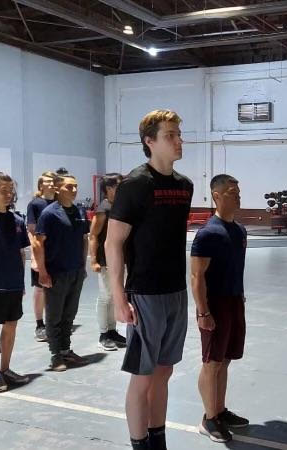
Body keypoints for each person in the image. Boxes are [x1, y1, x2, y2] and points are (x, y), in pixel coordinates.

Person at [105, 110, 193, 450]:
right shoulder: (135, 185)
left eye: (178, 134)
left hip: (176, 291)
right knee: (142, 378)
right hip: (144, 295)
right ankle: (139, 444)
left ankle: (158, 439)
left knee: (164, 373)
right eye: (170, 135)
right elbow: (114, 242)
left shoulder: (185, 186)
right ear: (150, 141)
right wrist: (118, 296)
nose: (178, 140)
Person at [191, 175, 249, 443]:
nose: (237, 196)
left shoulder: (239, 230)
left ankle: (220, 410)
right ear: (216, 196)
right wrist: (203, 312)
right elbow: (197, 277)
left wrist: (240, 296)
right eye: (230, 192)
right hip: (214, 304)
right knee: (212, 363)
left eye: (238, 191)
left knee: (224, 360)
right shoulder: (207, 233)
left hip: (234, 301)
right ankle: (209, 419)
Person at [34, 174, 90, 372]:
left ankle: (66, 350)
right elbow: (38, 243)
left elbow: (84, 239)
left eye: (75, 187)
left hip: (75, 271)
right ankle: (55, 355)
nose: (73, 191)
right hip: (56, 272)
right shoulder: (49, 214)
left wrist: (83, 266)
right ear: (57, 189)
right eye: (69, 187)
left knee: (69, 313)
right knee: (54, 316)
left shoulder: (80, 211)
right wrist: (42, 272)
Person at [0, 172, 31, 392]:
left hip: (13, 284)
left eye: (11, 190)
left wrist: (21, 282)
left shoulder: (17, 220)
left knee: (11, 327)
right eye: (3, 190)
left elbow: (20, 254)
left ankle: (5, 370)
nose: (9, 194)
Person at [89, 173, 126, 351]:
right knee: (105, 297)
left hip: (119, 259)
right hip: (105, 261)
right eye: (118, 185)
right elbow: (93, 236)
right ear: (109, 189)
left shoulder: (119, 207)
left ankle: (112, 331)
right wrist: (94, 260)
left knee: (113, 296)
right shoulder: (103, 209)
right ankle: (103, 334)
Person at [26, 171, 57, 342]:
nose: (51, 184)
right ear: (40, 185)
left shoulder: (61, 203)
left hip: (57, 254)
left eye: (53, 181)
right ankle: (40, 324)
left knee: (55, 289)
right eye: (47, 181)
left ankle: (54, 323)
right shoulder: (35, 204)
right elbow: (31, 231)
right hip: (41, 253)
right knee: (39, 289)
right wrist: (35, 257)